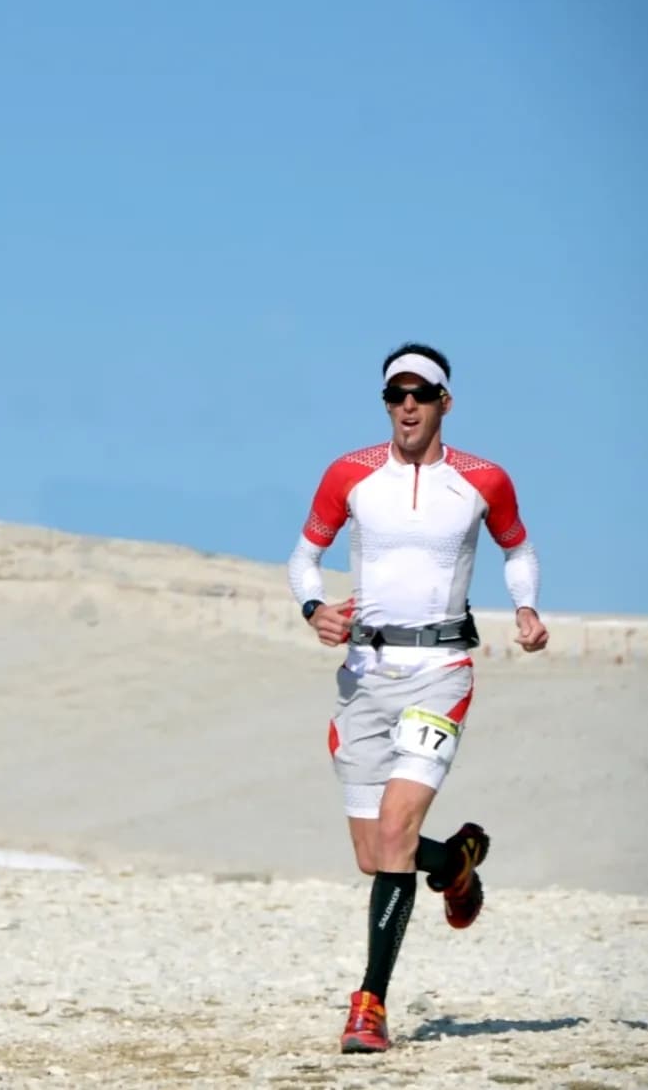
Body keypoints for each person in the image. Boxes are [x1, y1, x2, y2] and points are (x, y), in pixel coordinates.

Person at [287, 342, 549, 1055]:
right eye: (394, 394)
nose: (406, 405)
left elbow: (515, 547)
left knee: (398, 823)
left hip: (441, 668)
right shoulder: (349, 474)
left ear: (443, 403)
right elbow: (303, 554)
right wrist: (313, 608)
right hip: (364, 672)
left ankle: (368, 1004)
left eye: (420, 393)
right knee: (376, 854)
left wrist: (525, 607)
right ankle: (455, 863)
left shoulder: (481, 479)